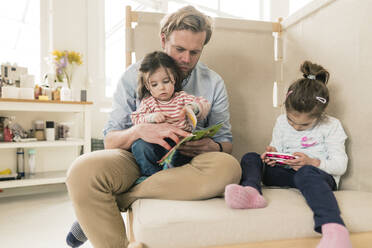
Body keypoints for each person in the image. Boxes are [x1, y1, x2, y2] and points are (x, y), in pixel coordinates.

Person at [66, 5, 241, 248]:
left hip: (187, 164)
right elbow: (110, 141)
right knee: (81, 171)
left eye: (195, 52)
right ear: (163, 39)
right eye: (179, 49)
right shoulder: (133, 75)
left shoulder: (213, 83)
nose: (186, 59)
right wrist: (140, 130)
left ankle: (114, 199)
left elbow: (227, 143)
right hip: (136, 160)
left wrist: (213, 146)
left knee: (229, 168)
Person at [224, 61, 352, 248]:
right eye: (292, 120)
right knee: (251, 157)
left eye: (304, 125)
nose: (295, 127)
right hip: (286, 172)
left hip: (317, 176)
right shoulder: (281, 121)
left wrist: (312, 162)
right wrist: (273, 155)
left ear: (320, 115)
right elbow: (277, 147)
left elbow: (340, 165)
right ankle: (252, 193)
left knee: (305, 172)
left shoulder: (331, 126)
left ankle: (334, 229)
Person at [131, 51, 211, 176]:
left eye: (166, 81)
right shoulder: (148, 103)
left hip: (179, 145)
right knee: (139, 146)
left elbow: (204, 103)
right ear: (148, 86)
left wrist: (193, 107)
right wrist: (151, 117)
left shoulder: (182, 98)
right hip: (156, 144)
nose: (161, 87)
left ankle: (170, 175)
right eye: (154, 84)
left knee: (184, 151)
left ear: (173, 79)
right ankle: (152, 177)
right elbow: (135, 118)